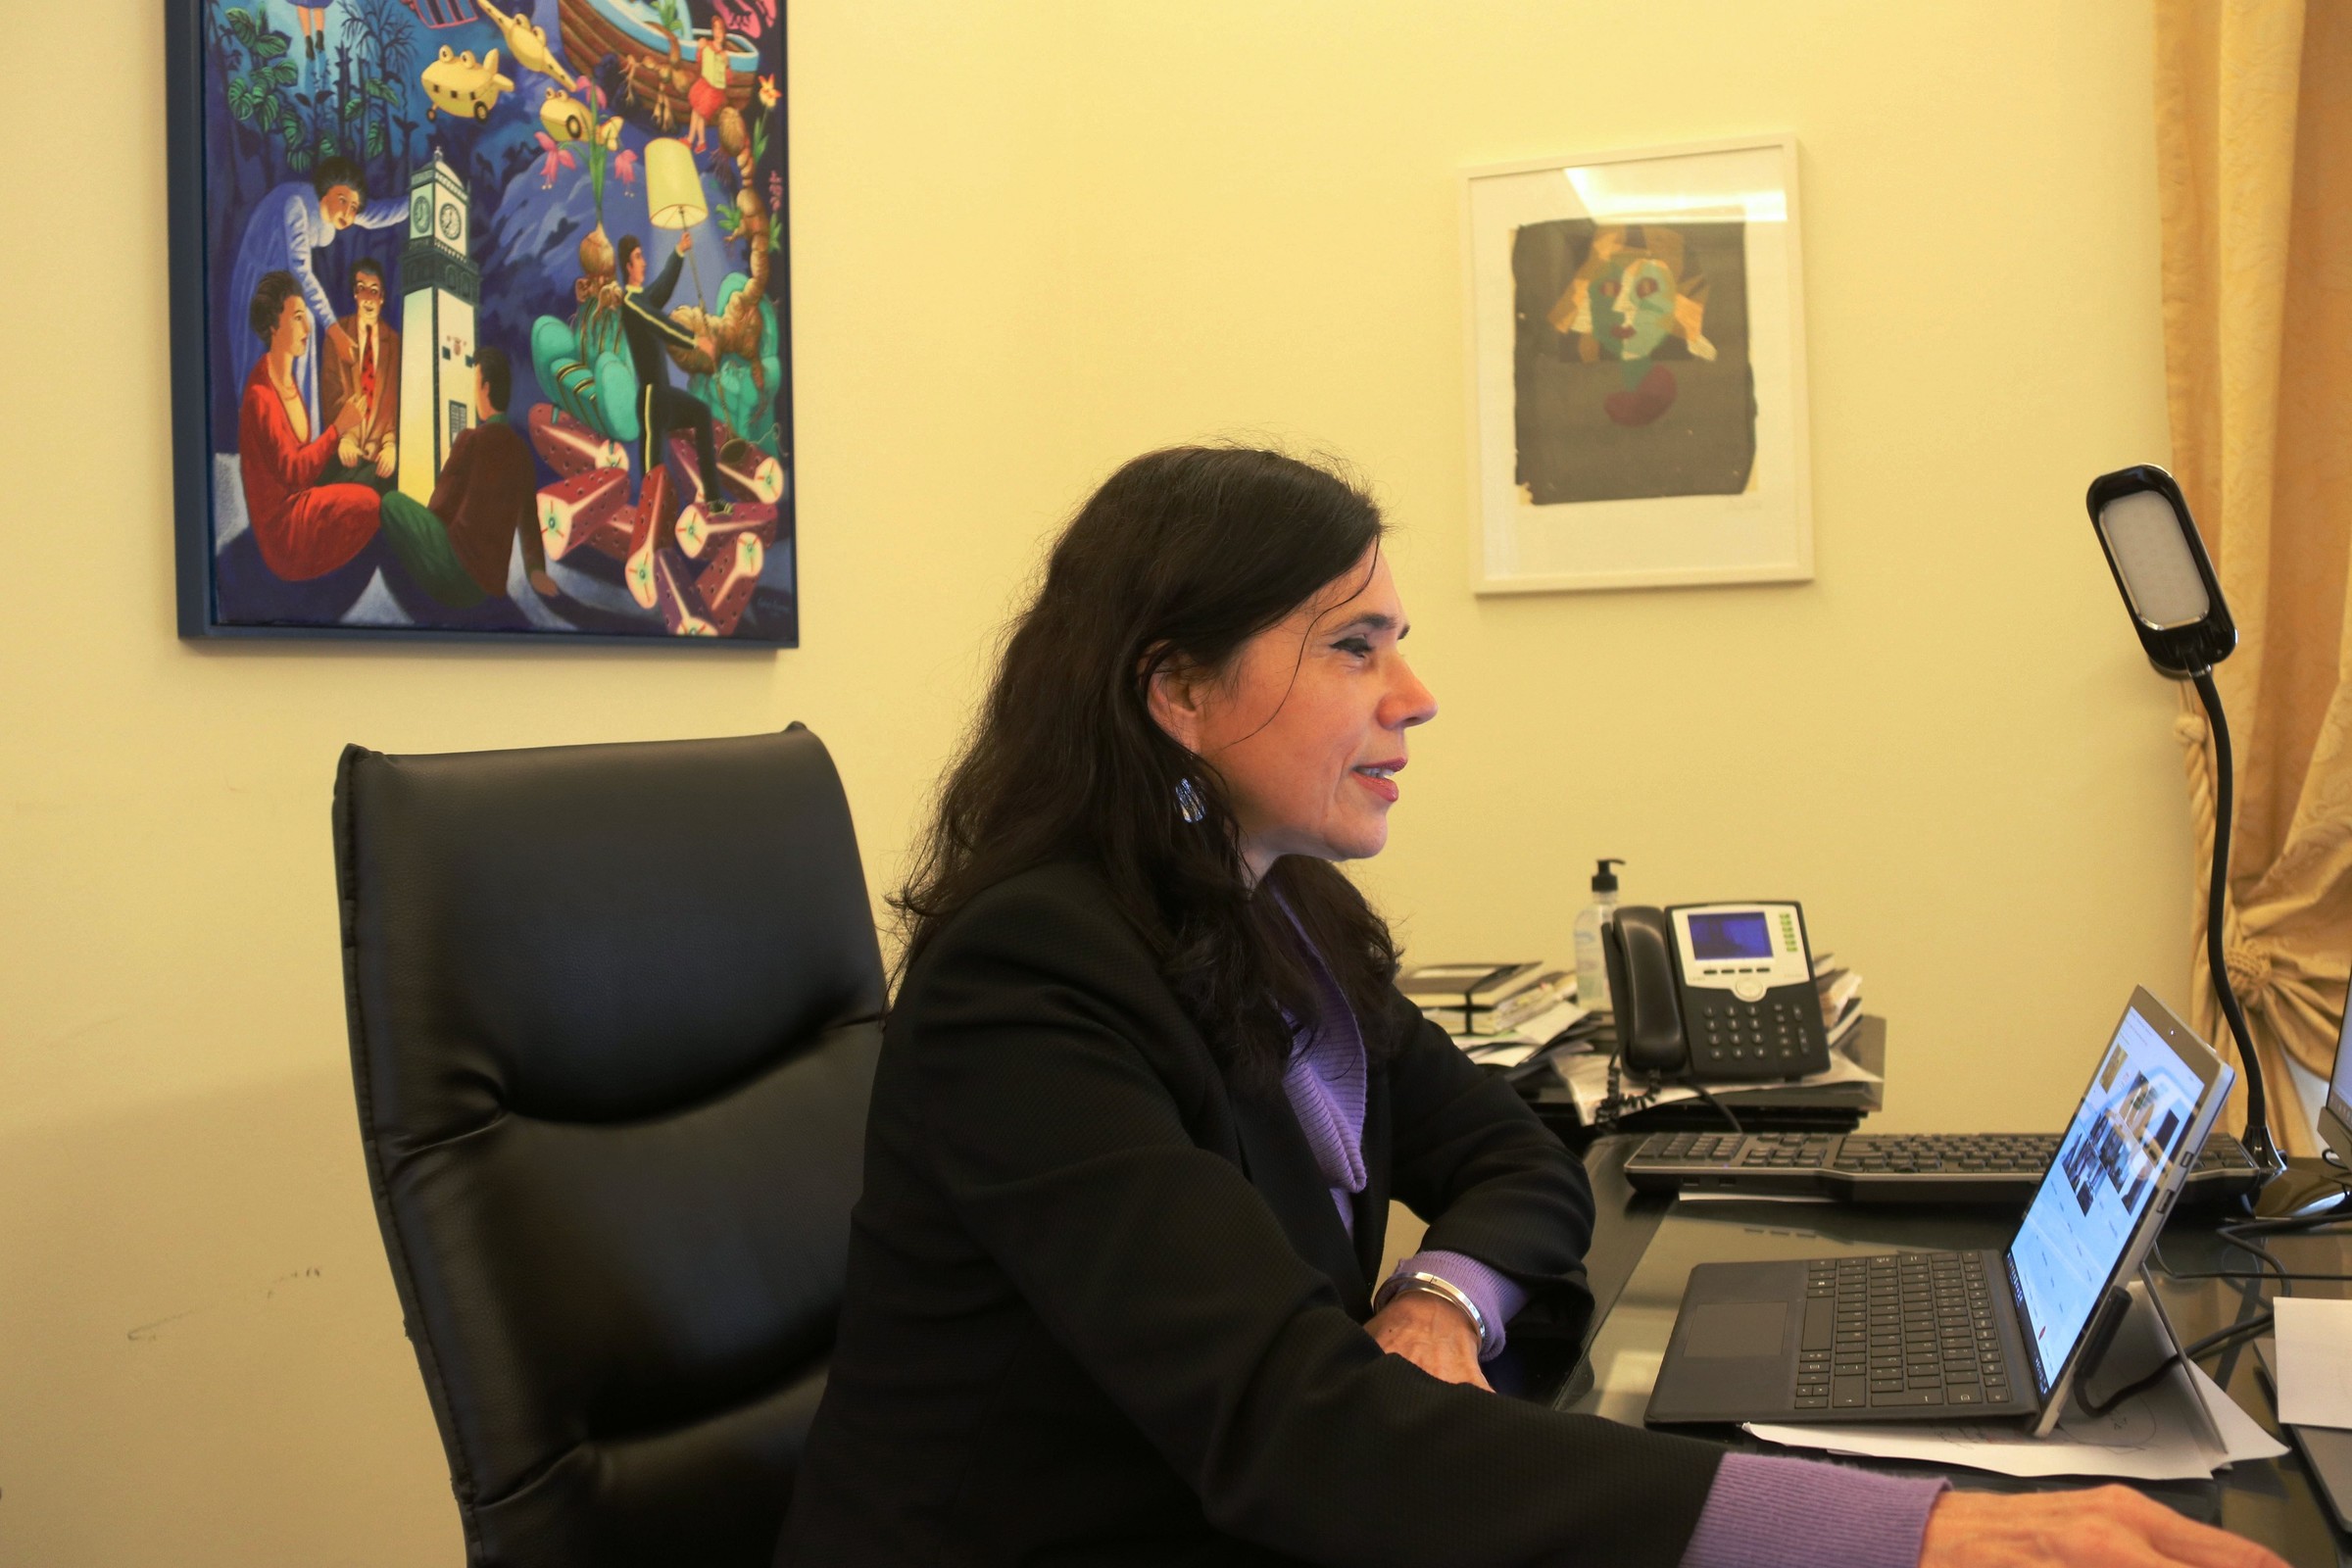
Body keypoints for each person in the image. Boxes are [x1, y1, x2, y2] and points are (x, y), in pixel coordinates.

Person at [777, 446, 2286, 1568]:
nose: (1415, 693)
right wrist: (1920, 1534)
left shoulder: (1288, 915)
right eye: (1355, 646)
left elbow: (1516, 1154)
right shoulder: (1032, 980)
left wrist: (1439, 1298)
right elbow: (1291, 1429)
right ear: (1178, 692)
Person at [224, 155, 407, 434]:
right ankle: (267, 432)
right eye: (343, 201)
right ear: (327, 191)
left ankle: (301, 435)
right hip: (259, 282)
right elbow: (301, 270)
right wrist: (335, 331)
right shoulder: (296, 205)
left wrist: (420, 200)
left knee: (302, 327)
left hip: (285, 287)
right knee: (271, 354)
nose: (348, 212)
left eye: (354, 207)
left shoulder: (337, 210)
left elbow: (377, 215)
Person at [377, 346, 558, 606]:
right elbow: (529, 521)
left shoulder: (470, 440)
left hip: (454, 573)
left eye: (475, 384)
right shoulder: (522, 453)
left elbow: (439, 508)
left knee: (391, 502)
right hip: (488, 587)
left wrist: (421, 525)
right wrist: (536, 571)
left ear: (485, 388)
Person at [235, 270, 381, 582]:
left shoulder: (287, 379)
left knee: (373, 472)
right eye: (298, 318)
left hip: (301, 496)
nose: (307, 327)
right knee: (370, 504)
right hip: (283, 531)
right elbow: (295, 471)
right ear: (274, 326)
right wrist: (339, 428)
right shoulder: (261, 395)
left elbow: (304, 461)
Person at [614, 230, 727, 511]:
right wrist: (697, 341)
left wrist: (678, 251)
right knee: (652, 470)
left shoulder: (643, 299)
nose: (644, 262)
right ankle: (649, 518)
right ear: (627, 267)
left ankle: (714, 501)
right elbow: (661, 324)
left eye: (642, 256)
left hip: (665, 395)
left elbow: (663, 287)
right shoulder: (631, 304)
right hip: (651, 400)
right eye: (638, 257)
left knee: (701, 413)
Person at [319, 258, 399, 489]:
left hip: (379, 460)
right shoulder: (338, 335)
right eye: (361, 289)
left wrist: (390, 445)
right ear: (355, 294)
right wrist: (345, 438)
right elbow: (331, 394)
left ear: (382, 297)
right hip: (342, 450)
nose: (367, 298)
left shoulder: (395, 343)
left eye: (374, 291)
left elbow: (394, 403)